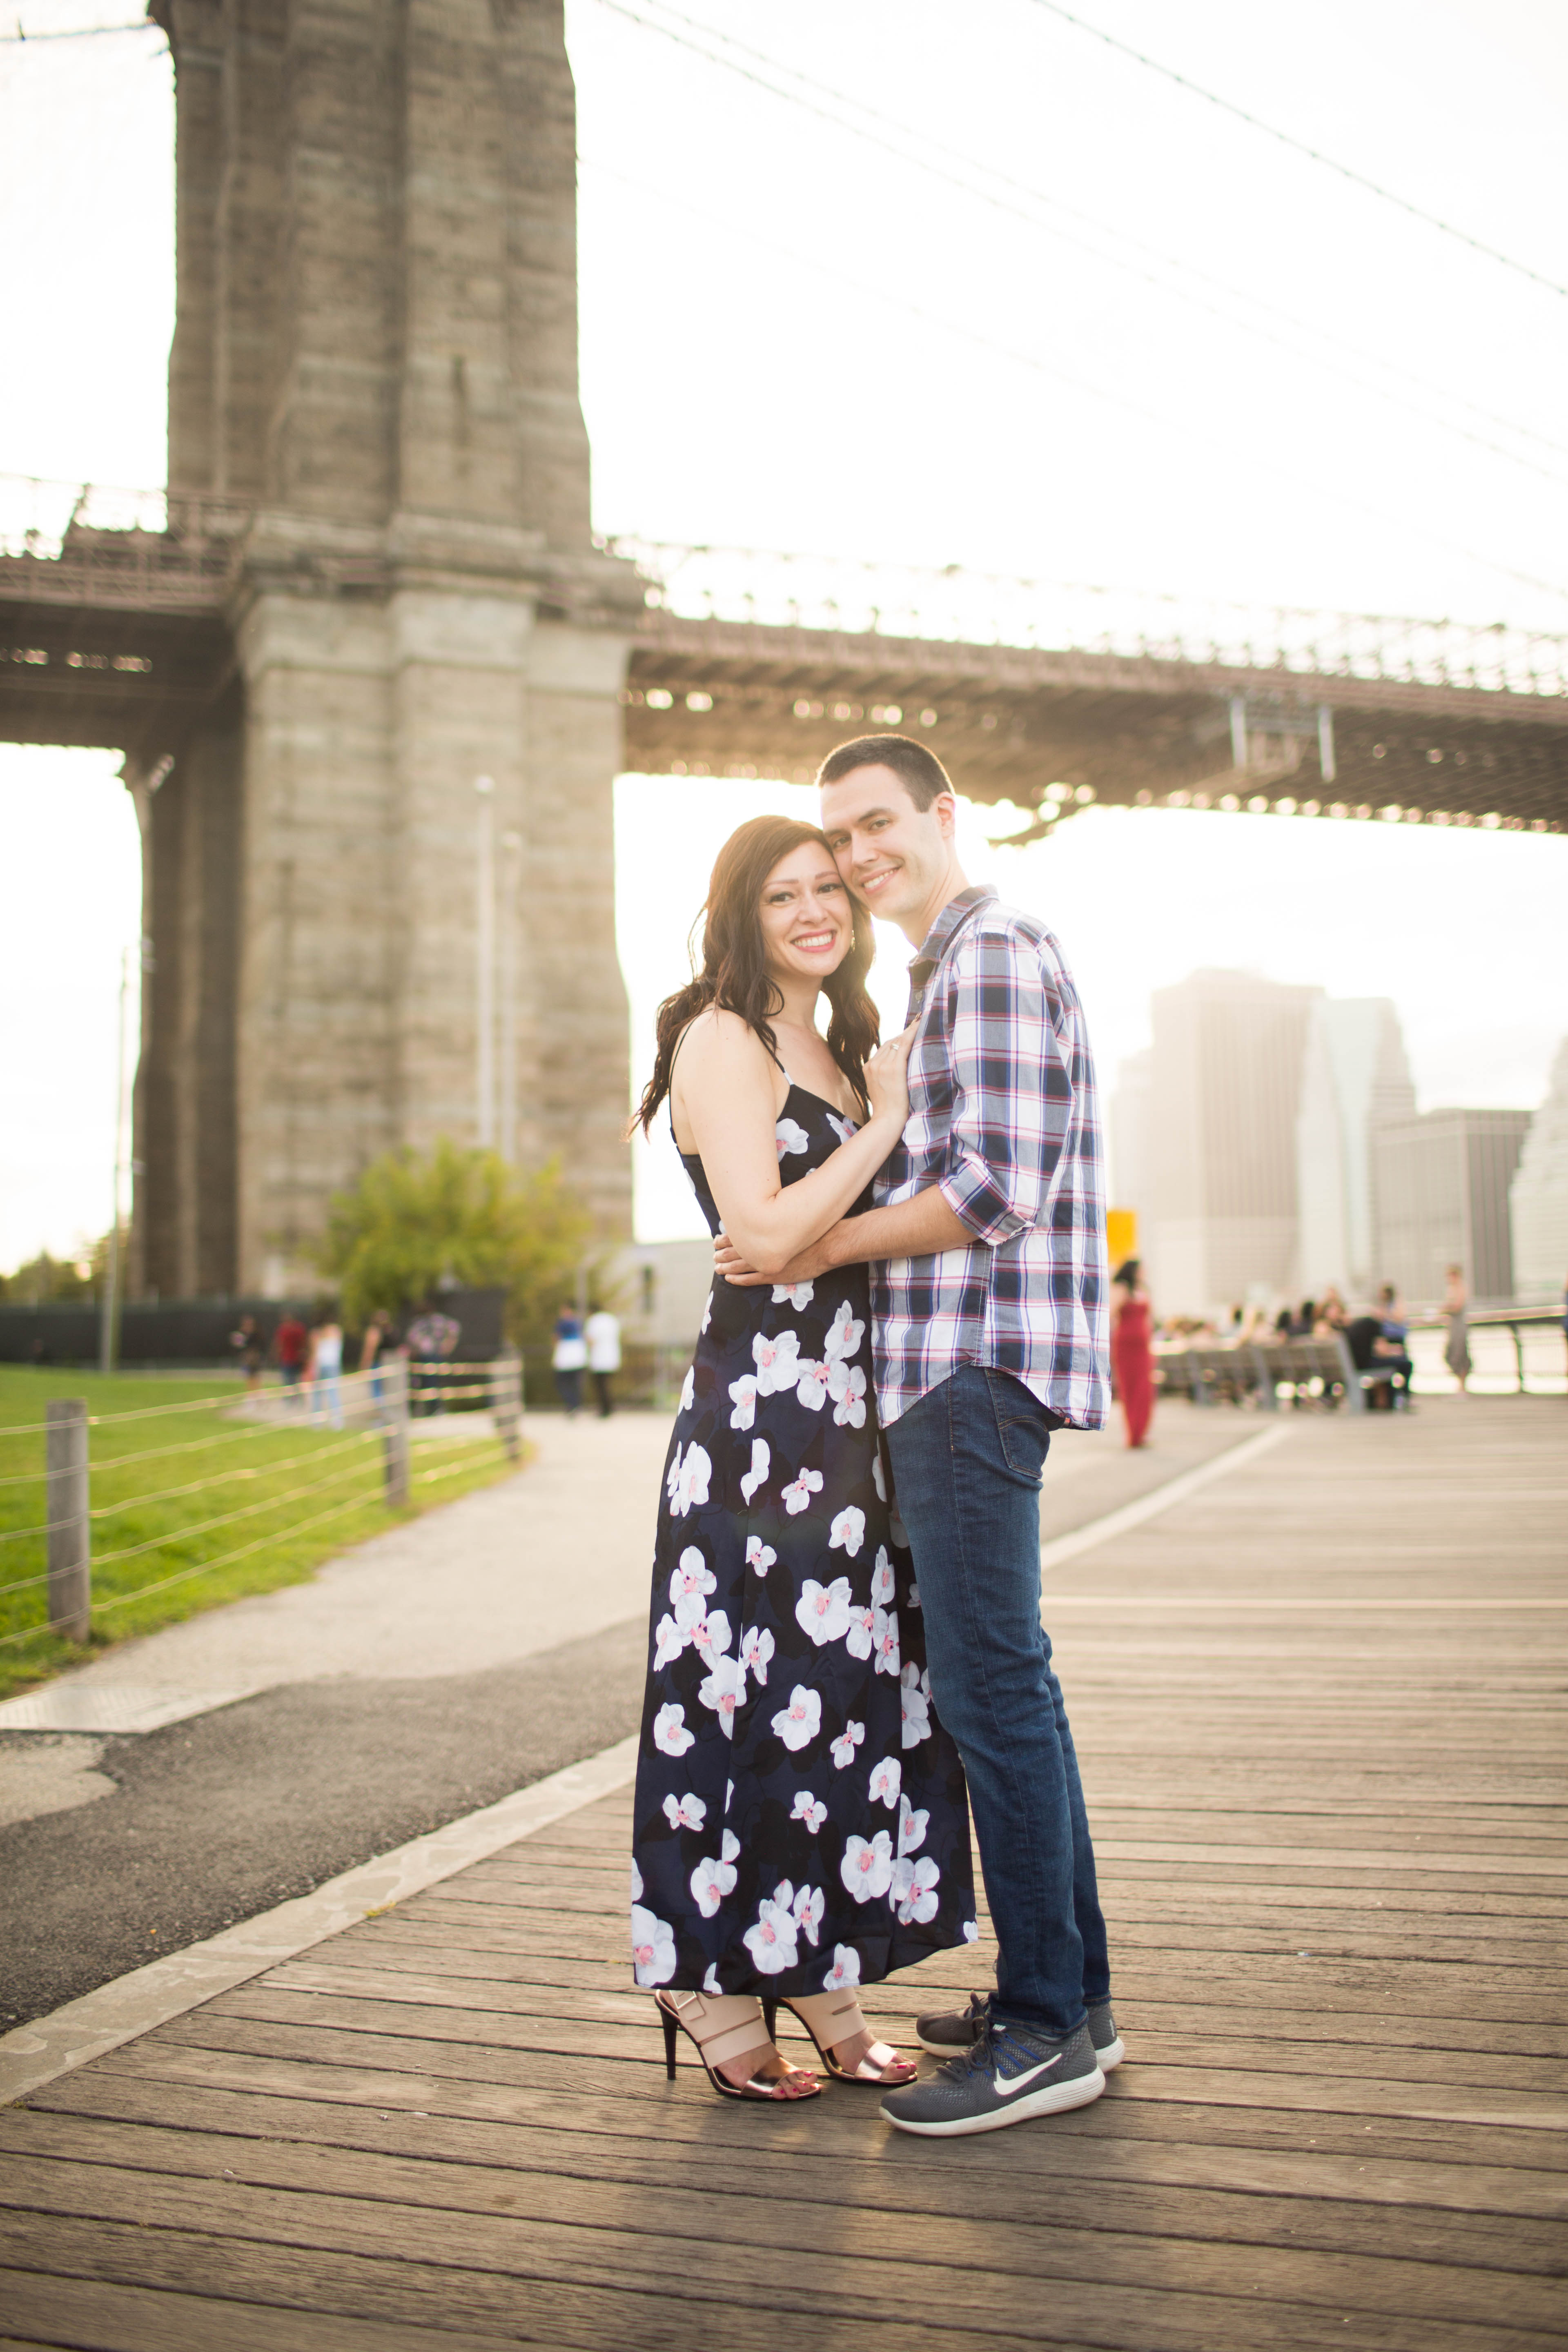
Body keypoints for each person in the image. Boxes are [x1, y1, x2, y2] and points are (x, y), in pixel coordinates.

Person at [718, 735, 1117, 2138]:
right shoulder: (946, 970)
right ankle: (1076, 1992)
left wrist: (808, 1247)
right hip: (960, 1374)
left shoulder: (994, 949)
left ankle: (1046, 2025)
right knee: (1017, 1688)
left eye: (880, 825)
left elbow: (990, 1192)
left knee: (993, 1696)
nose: (862, 855)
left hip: (969, 1370)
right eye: (841, 840)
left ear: (945, 816)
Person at [628, 814, 976, 2106]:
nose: (815, 911)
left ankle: (821, 1980)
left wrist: (868, 1105)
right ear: (743, 915)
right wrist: (882, 1128)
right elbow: (764, 1235)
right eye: (784, 896)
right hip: (756, 1430)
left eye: (828, 888)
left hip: (847, 1421)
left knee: (833, 1702)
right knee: (739, 1701)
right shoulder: (719, 1035)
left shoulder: (830, 1042)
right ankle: (710, 1988)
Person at [1111, 1258, 1156, 1448]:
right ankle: (1133, 1435)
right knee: (1130, 1388)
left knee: (1145, 1390)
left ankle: (1142, 1432)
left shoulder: (1144, 1290)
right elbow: (1112, 1313)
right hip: (1126, 1345)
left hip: (1142, 1346)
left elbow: (1150, 1318)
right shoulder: (1122, 1289)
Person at [307, 1305, 343, 1430]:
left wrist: (311, 1368)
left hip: (322, 1364)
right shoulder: (336, 1331)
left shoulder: (317, 1333)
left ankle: (318, 1421)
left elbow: (314, 1352)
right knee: (333, 1392)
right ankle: (337, 1421)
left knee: (318, 1393)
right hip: (333, 1365)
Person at [584, 1303, 622, 1418]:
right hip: (612, 1356)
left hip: (599, 1358)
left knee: (601, 1386)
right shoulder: (612, 1319)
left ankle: (605, 1409)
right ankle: (609, 1407)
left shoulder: (593, 1321)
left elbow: (591, 1340)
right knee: (607, 1385)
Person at [551, 1308, 587, 1417]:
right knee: (575, 1384)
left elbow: (556, 1338)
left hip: (566, 1356)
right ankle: (575, 1405)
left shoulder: (562, 1324)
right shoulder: (579, 1324)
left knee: (563, 1383)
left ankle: (572, 1405)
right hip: (578, 1356)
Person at [1442, 1265, 1471, 1392]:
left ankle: (1462, 1386)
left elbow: (1457, 1307)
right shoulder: (1451, 1289)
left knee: (1460, 1354)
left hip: (1459, 1325)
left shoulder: (1461, 1287)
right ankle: (1460, 1384)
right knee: (1450, 1354)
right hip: (1452, 1325)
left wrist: (1446, 1309)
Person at [273, 1310, 307, 1400]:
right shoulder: (299, 1329)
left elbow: (280, 1345)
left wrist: (278, 1356)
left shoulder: (284, 1330)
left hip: (288, 1358)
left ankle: (290, 1399)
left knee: (288, 1380)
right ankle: (298, 1398)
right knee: (296, 1380)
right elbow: (303, 1344)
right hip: (296, 1358)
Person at [229, 1313, 264, 1393]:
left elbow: (259, 1345)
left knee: (255, 1377)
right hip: (246, 1358)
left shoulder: (256, 1334)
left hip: (254, 1358)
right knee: (248, 1376)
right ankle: (251, 1392)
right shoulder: (242, 1333)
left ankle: (257, 1393)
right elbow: (240, 1345)